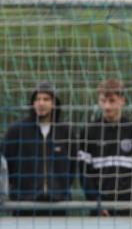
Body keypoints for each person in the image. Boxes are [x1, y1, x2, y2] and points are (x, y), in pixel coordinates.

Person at [78, 79, 132, 217]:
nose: (107, 106)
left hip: (130, 210)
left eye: (112, 101)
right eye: (103, 101)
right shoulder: (89, 132)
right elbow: (84, 173)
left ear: (122, 101)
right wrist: (96, 203)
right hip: (100, 210)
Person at [1, 82, 77, 215]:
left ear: (54, 103)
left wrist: (60, 189)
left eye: (46, 99)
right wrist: (16, 190)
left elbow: (72, 166)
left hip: (58, 204)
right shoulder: (17, 130)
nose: (41, 103)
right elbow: (6, 163)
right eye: (37, 99)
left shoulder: (66, 131)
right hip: (24, 204)